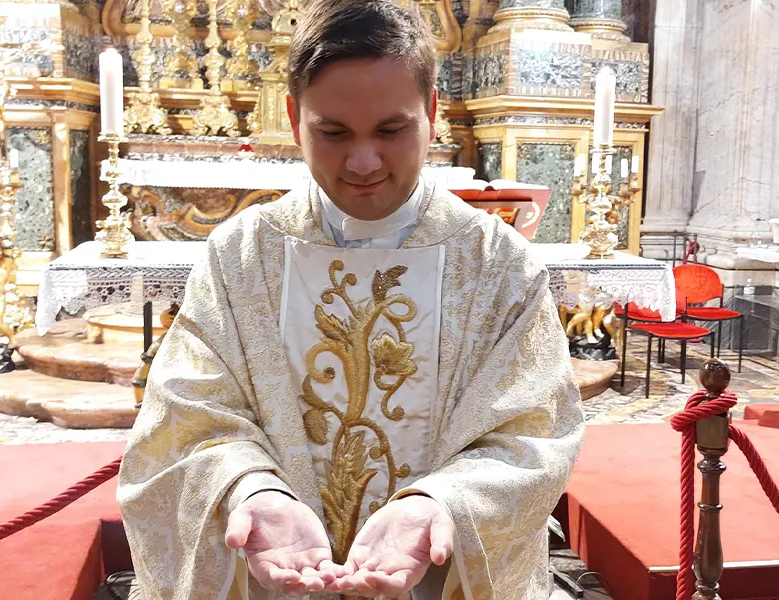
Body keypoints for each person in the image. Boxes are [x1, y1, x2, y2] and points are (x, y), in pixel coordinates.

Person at [116, 0, 585, 598]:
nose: (363, 162)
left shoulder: (499, 265)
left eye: (391, 130)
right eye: (333, 132)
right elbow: (189, 420)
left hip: (435, 579)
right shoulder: (241, 255)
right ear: (292, 119)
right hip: (275, 580)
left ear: (432, 113)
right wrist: (251, 488)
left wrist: (439, 503)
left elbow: (531, 434)